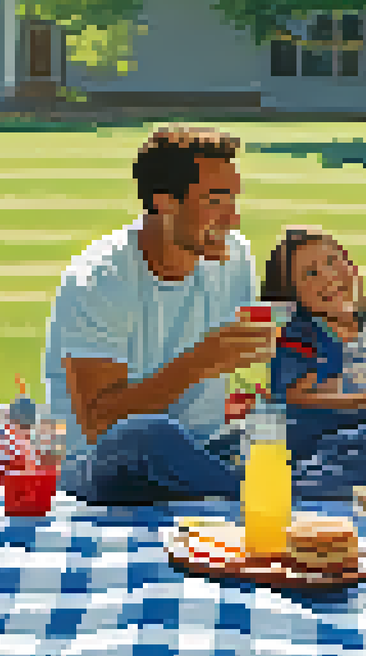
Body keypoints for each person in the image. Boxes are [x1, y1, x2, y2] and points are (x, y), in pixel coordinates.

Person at [44, 127, 275, 504]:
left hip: (205, 450)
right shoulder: (102, 278)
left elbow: (240, 377)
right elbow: (99, 424)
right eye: (215, 202)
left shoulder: (235, 257)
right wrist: (200, 363)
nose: (233, 220)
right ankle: (271, 493)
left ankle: (250, 485)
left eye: (234, 200)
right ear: (165, 203)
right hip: (105, 462)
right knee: (148, 436)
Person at [261, 226, 366, 499]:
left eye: (333, 262)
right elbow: (299, 394)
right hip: (307, 438)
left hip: (363, 437)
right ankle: (290, 483)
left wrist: (346, 393)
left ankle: (306, 482)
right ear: (292, 295)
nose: (328, 276)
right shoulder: (298, 333)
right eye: (311, 274)